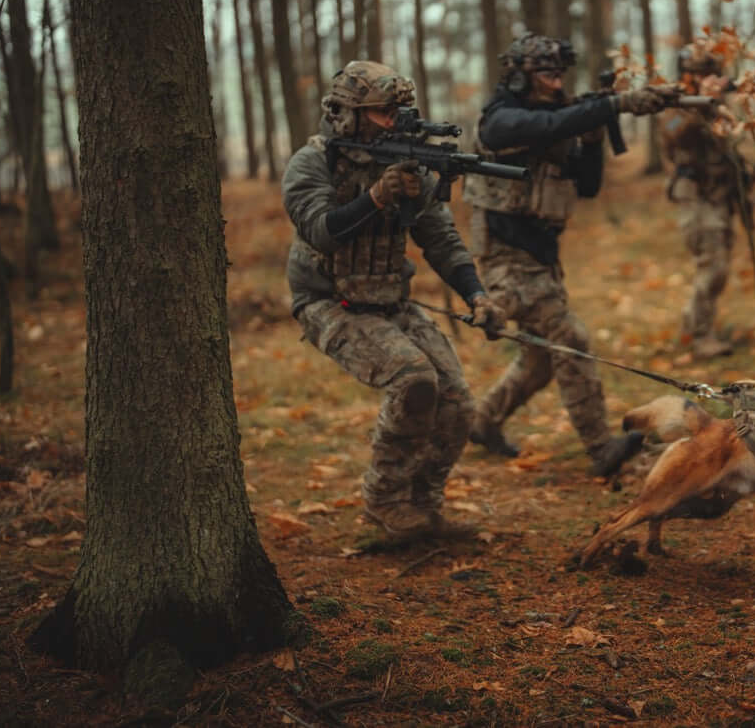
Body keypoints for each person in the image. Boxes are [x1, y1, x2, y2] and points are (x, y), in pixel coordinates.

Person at [282, 61, 506, 542]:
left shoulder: (409, 166)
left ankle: (422, 510)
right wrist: (376, 198)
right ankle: (384, 503)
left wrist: (477, 295)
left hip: (388, 300)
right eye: (383, 112)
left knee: (458, 402)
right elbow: (321, 228)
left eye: (400, 110)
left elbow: (441, 239)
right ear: (346, 116)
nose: (395, 120)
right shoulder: (314, 162)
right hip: (328, 300)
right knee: (413, 381)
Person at [463, 32, 676, 474]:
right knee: (570, 339)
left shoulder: (560, 116)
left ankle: (482, 422)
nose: (556, 85)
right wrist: (612, 106)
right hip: (504, 253)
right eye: (545, 75)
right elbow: (542, 128)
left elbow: (589, 184)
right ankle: (601, 450)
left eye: (560, 75)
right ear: (520, 75)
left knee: (540, 359)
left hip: (541, 255)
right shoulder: (501, 118)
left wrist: (595, 138)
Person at [658, 45, 746, 360]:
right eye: (701, 74)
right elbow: (673, 134)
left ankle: (694, 323)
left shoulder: (719, 107)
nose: (709, 80)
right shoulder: (675, 105)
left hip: (721, 196)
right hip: (694, 196)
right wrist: (702, 108)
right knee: (712, 266)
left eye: (713, 74)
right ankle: (700, 335)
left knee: (719, 266)